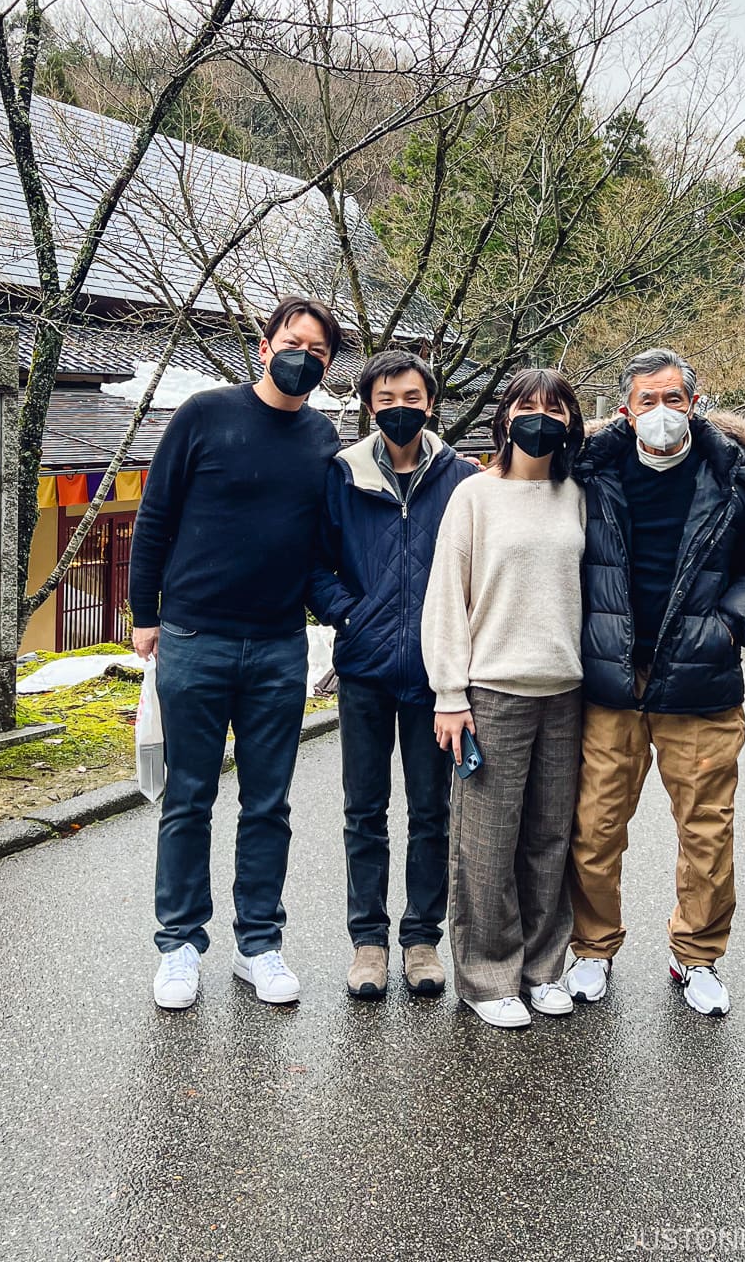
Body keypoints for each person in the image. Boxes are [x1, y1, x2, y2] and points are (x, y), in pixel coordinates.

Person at [561, 347, 745, 1018]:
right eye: (647, 401)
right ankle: (593, 947)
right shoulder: (589, 473)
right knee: (595, 827)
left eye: (673, 399)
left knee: (706, 831)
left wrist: (726, 627)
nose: (661, 414)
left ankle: (697, 956)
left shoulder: (737, 479)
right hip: (612, 682)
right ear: (624, 411)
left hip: (701, 685)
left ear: (695, 403)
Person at [128, 297, 342, 1011]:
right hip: (193, 637)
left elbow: (323, 543)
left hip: (280, 643)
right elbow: (154, 513)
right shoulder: (205, 413)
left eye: (316, 350)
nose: (301, 356)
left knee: (268, 804)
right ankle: (180, 943)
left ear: (328, 364)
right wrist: (144, 613)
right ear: (263, 347)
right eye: (291, 342)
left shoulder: (323, 439)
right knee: (188, 799)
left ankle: (260, 943)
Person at [308, 349, 476, 1000]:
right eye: (386, 399)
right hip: (366, 672)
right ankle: (369, 944)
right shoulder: (341, 477)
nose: (399, 409)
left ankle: (421, 940)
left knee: (433, 812)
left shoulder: (461, 478)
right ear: (368, 406)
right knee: (364, 811)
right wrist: (352, 617)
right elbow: (314, 565)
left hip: (438, 677)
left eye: (411, 397)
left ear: (430, 402)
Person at [421, 368, 587, 1030]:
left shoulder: (576, 494)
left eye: (555, 409)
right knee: (485, 842)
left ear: (572, 423)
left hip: (568, 690)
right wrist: (448, 694)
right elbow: (446, 599)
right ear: (504, 417)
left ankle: (544, 967)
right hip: (491, 692)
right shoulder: (474, 496)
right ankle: (487, 977)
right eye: (527, 406)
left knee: (551, 838)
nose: (539, 418)